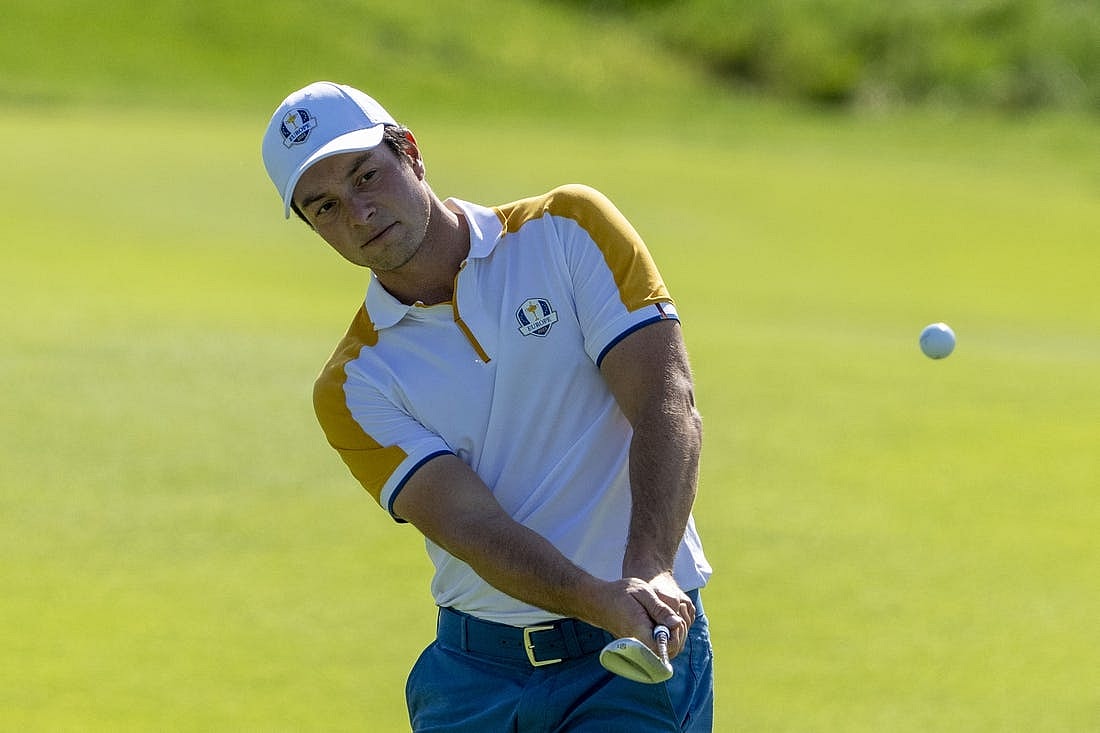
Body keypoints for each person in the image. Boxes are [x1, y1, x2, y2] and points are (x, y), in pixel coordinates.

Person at [261, 81, 714, 732]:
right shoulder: (351, 385)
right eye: (326, 206)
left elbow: (666, 400)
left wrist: (648, 574)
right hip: (474, 677)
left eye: (366, 176)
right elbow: (471, 525)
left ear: (410, 153)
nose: (359, 212)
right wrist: (598, 598)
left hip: (636, 654)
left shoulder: (568, 228)